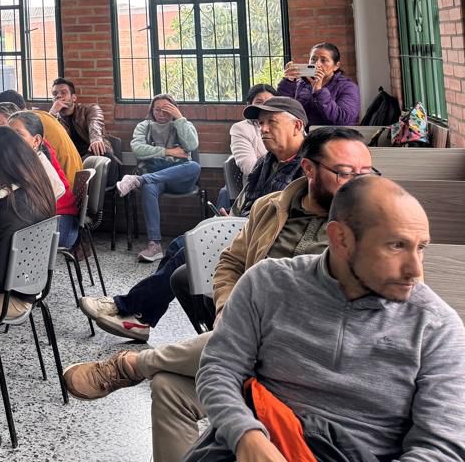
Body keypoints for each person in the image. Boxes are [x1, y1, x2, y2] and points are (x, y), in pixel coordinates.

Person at [64, 128, 373, 461]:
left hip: (311, 360)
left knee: (244, 333)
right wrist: (228, 308)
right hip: (251, 339)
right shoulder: (270, 207)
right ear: (309, 169)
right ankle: (154, 351)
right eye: (344, 173)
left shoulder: (371, 226)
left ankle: (131, 364)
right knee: (169, 386)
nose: (357, 183)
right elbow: (230, 262)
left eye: (365, 173)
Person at [185, 175, 465, 461]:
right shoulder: (268, 283)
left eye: (421, 247)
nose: (415, 270)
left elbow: (440, 446)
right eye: (396, 246)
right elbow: (220, 368)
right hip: (265, 438)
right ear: (341, 238)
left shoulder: (436, 326)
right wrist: (246, 436)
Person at [80, 96, 310, 342]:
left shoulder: (309, 166)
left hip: (268, 242)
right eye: (261, 123)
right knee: (180, 244)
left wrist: (240, 223)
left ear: (297, 126)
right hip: (243, 227)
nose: (263, 129)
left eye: (271, 122)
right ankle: (142, 319)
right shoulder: (267, 161)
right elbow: (248, 203)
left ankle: (128, 307)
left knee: (187, 252)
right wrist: (231, 216)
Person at [0, 127, 58, 319]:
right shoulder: (35, 189)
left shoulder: (12, 208)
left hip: (6, 297)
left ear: (1, 164)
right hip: (24, 287)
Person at [116, 94, 201, 262]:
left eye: (166, 109)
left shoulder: (184, 124)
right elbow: (138, 149)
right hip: (156, 176)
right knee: (149, 186)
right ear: (151, 110)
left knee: (194, 167)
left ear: (174, 109)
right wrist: (168, 151)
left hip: (180, 177)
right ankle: (154, 245)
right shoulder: (144, 126)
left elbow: (191, 145)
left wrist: (179, 118)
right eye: (157, 110)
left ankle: (140, 180)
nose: (161, 113)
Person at [8, 111, 79, 249]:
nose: (10, 140)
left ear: (36, 140)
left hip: (60, 222)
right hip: (47, 220)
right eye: (8, 135)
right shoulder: (23, 156)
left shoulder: (39, 161)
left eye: (18, 135)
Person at [276, 41, 361, 127]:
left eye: (323, 60)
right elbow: (282, 109)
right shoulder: (301, 83)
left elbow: (342, 120)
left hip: (334, 134)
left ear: (336, 66)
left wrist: (319, 91)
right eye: (313, 59)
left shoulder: (348, 87)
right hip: (303, 133)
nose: (317, 64)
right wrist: (288, 82)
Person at [49, 78, 110, 157]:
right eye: (55, 94)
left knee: (101, 152)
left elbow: (95, 124)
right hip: (69, 158)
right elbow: (45, 137)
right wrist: (52, 113)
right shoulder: (52, 118)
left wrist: (96, 139)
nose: (58, 96)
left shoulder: (89, 109)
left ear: (74, 98)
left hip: (91, 152)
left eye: (63, 93)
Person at [228, 84, 274, 177]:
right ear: (250, 104)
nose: (264, 106)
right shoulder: (240, 129)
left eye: (270, 102)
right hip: (260, 182)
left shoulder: (287, 123)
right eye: (259, 102)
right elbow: (250, 168)